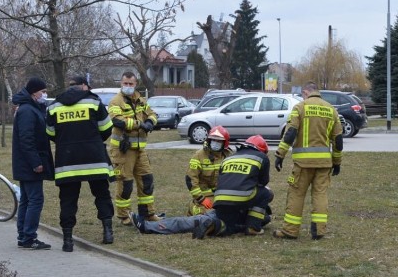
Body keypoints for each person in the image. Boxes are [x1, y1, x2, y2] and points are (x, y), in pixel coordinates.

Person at [131, 135, 273, 239]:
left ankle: (147, 226)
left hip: (220, 202)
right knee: (267, 195)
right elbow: (263, 183)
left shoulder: (229, 158)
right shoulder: (261, 158)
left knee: (191, 222)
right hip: (233, 207)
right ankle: (251, 228)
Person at [47, 74, 115, 251]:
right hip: (94, 159)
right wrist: (92, 141)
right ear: (83, 87)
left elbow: (50, 133)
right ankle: (108, 232)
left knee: (68, 200)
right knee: (102, 195)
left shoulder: (53, 106)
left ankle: (67, 241)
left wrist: (67, 142)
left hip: (67, 162)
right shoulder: (93, 102)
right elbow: (107, 128)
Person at [273, 81, 343, 241]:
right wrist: (337, 161)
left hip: (302, 164)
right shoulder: (331, 110)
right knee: (320, 195)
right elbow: (338, 140)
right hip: (324, 164)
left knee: (296, 194)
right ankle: (319, 231)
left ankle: (290, 231)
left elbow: (290, 133)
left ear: (305, 92)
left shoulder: (300, 107)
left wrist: (280, 154)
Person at [107, 71, 161, 226]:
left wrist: (150, 122)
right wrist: (139, 124)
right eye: (125, 83)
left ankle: (148, 213)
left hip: (140, 150)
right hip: (123, 151)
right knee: (125, 183)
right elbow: (118, 121)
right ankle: (124, 216)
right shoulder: (115, 101)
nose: (128, 86)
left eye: (131, 84)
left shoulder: (141, 100)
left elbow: (153, 114)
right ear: (121, 83)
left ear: (136, 84)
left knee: (147, 180)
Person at [11, 77, 55, 250]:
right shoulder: (28, 111)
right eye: (43, 91)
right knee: (35, 200)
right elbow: (27, 139)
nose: (45, 94)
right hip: (29, 164)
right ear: (34, 92)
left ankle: (23, 235)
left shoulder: (30, 108)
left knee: (27, 200)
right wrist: (36, 162)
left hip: (25, 163)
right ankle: (29, 236)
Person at [185, 125, 231, 216]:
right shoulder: (199, 156)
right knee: (209, 215)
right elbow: (190, 179)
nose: (215, 143)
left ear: (224, 143)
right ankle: (193, 207)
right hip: (205, 194)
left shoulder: (228, 156)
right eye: (213, 140)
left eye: (219, 141)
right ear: (209, 140)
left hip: (222, 193)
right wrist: (201, 198)